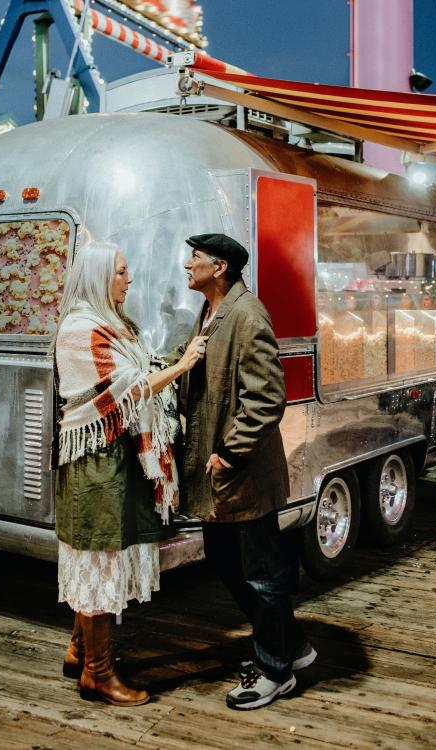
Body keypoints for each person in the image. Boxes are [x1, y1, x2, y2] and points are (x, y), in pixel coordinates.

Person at [53, 240, 206, 706]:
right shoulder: (81, 329)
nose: (129, 279)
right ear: (100, 277)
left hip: (111, 458)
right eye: (121, 271)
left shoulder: (111, 324)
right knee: (97, 557)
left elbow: (136, 372)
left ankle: (80, 651)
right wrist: (181, 367)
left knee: (97, 559)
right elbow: (127, 391)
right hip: (94, 464)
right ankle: (98, 674)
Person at [169, 233, 316, 710]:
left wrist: (230, 452)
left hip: (243, 474)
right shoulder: (213, 312)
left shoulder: (248, 315)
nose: (187, 265)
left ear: (220, 267)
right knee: (225, 560)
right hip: (221, 476)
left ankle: (276, 672)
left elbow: (267, 396)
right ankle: (292, 646)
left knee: (262, 574)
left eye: (195, 258)